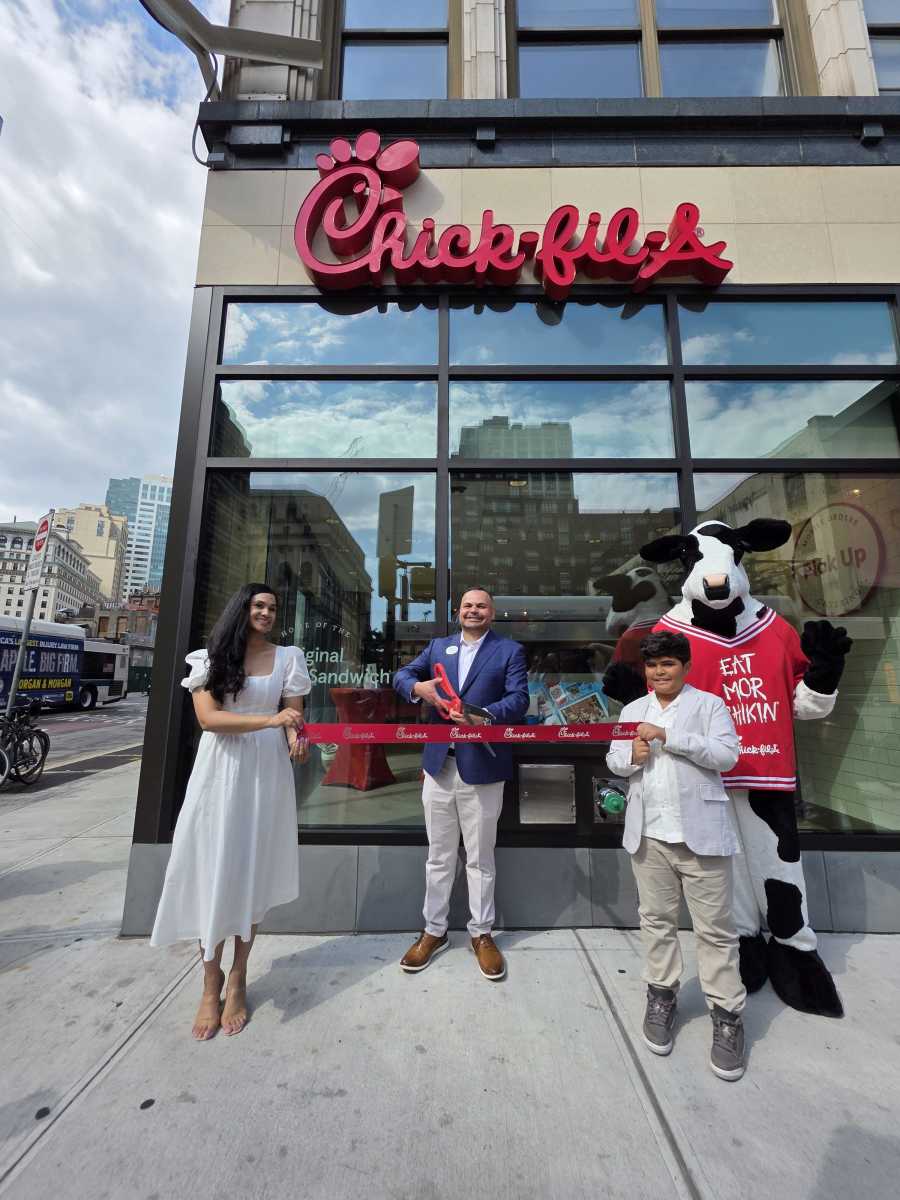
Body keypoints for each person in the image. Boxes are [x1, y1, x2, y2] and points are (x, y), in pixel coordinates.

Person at [150, 583, 311, 1040]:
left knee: (253, 874)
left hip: (267, 775)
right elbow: (209, 720)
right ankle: (209, 981)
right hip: (220, 773)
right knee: (213, 870)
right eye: (258, 605)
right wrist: (272, 721)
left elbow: (294, 722)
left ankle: (238, 975)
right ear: (241, 609)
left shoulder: (288, 658)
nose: (266, 613)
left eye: (273, 607)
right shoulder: (209, 658)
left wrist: (297, 742)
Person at [606, 630, 747, 1081]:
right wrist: (633, 754)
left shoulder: (709, 706)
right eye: (652, 665)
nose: (660, 672)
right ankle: (662, 995)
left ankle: (727, 1015)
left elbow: (727, 756)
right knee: (656, 920)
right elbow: (614, 760)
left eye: (668, 664)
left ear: (685, 667)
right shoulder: (631, 710)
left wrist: (670, 736)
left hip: (701, 836)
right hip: (649, 836)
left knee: (716, 930)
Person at [393, 587, 529, 981]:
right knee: (438, 855)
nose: (473, 610)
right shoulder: (438, 646)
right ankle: (433, 931)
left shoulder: (509, 651)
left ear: (492, 612)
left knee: (480, 857)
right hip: (439, 766)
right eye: (467, 605)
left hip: (483, 767)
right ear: (458, 612)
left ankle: (481, 932)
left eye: (481, 605)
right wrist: (417, 689)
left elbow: (519, 699)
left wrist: (483, 715)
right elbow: (401, 675)